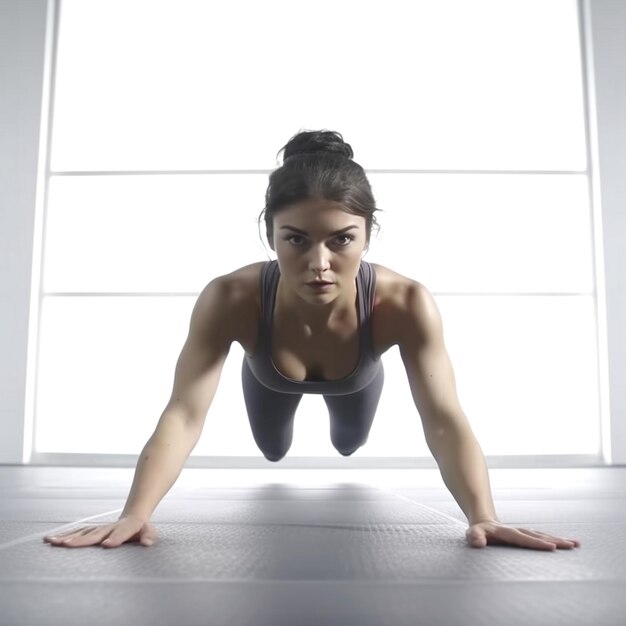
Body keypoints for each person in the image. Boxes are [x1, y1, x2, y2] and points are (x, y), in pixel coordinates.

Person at [44, 129, 580, 551]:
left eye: (342, 240)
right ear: (268, 232)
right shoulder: (230, 298)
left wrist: (484, 517)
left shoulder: (405, 303)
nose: (319, 264)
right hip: (268, 377)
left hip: (357, 380)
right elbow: (183, 413)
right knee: (272, 449)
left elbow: (443, 417)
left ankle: (346, 422)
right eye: (295, 240)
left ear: (369, 233)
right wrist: (136, 513)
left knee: (349, 442)